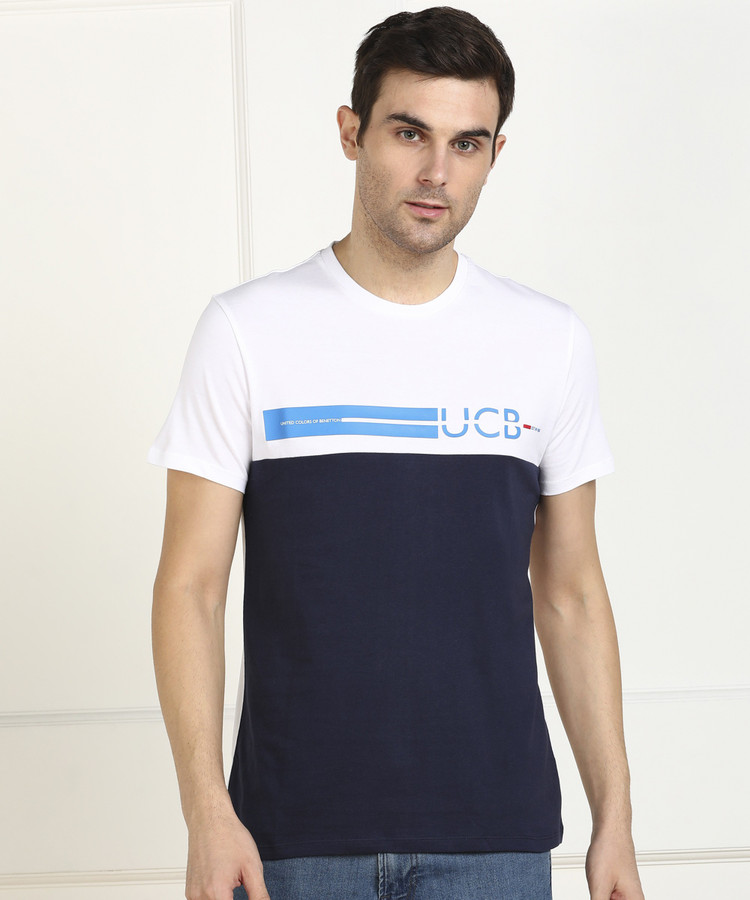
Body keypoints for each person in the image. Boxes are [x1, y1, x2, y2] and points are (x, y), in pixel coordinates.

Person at [148, 7, 645, 900]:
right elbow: (191, 586)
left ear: (495, 154)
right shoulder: (246, 332)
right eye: (409, 133)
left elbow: (571, 593)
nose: (435, 173)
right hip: (289, 839)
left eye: (467, 144)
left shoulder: (549, 342)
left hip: (496, 842)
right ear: (352, 132)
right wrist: (206, 812)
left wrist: (616, 819)